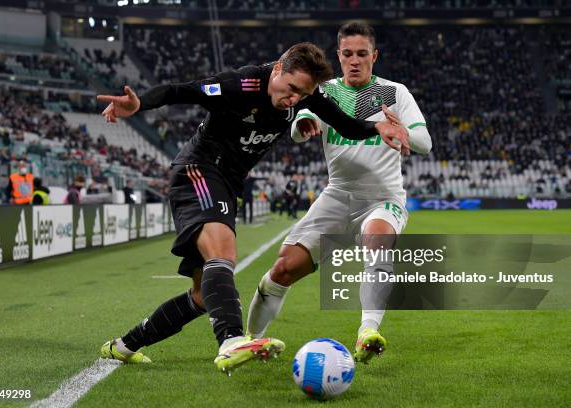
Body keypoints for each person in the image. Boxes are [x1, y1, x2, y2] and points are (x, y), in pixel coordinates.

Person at [96, 42, 408, 374]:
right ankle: (231, 342)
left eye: (302, 95)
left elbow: (344, 124)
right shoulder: (239, 85)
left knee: (204, 295)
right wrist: (140, 103)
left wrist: (377, 127)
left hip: (228, 184)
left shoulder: (304, 94)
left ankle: (122, 346)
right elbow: (180, 91)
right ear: (277, 69)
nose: (294, 100)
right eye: (290, 90)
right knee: (223, 252)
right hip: (198, 171)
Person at [247, 23, 432, 364]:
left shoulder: (395, 93)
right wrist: (302, 123)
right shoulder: (324, 91)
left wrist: (400, 128)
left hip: (383, 198)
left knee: (378, 241)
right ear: (339, 56)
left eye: (362, 54)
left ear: (374, 56)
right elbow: (299, 128)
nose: (355, 60)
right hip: (336, 197)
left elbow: (425, 143)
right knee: (284, 269)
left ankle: (367, 333)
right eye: (348, 54)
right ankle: (250, 342)